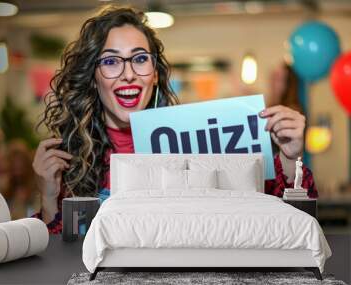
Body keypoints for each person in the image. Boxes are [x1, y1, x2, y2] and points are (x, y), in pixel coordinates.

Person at [32, 6, 317, 233]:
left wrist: (292, 160)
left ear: (155, 74)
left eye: (140, 58)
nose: (128, 73)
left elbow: (287, 226)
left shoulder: (196, 137)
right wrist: (48, 198)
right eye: (110, 61)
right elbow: (63, 259)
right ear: (93, 78)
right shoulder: (73, 158)